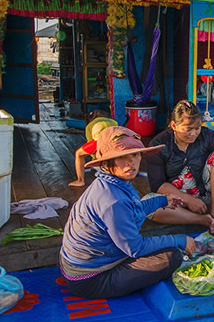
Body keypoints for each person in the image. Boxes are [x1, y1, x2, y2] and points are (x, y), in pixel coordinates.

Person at [60, 126, 195, 299]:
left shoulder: (111, 183)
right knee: (172, 257)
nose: (131, 162)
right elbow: (135, 248)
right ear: (107, 162)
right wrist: (180, 239)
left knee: (167, 247)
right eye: (121, 157)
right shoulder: (112, 201)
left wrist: (162, 200)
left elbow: (133, 210)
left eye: (135, 154)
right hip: (90, 279)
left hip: (77, 264)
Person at [144, 100, 214, 229]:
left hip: (204, 196)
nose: (194, 133)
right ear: (174, 125)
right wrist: (187, 199)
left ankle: (213, 210)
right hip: (175, 200)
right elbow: (158, 185)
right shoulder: (159, 144)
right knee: (147, 204)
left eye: (197, 128)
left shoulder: (207, 135)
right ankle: (201, 219)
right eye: (188, 129)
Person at [68, 111, 117, 187]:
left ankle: (80, 180)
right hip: (116, 140)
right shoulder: (114, 122)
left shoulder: (90, 125)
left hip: (99, 141)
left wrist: (94, 159)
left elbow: (90, 142)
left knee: (78, 154)